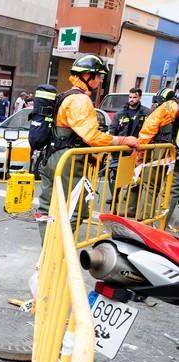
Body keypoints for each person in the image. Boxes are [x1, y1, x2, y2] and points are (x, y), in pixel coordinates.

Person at [36, 54, 139, 242]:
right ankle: (58, 248)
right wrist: (125, 140)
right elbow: (91, 136)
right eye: (98, 76)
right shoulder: (80, 100)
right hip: (68, 161)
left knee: (47, 206)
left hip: (50, 157)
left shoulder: (64, 96)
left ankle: (48, 250)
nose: (100, 81)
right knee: (77, 209)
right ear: (87, 75)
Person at [137, 88, 179, 227]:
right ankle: (161, 224)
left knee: (150, 186)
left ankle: (145, 221)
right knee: (172, 190)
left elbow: (149, 128)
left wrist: (141, 152)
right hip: (174, 153)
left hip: (163, 150)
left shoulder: (168, 107)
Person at [106, 87, 150, 204]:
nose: (131, 99)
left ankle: (129, 199)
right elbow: (112, 130)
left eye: (134, 97)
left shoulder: (146, 113)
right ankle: (114, 195)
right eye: (130, 97)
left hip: (137, 150)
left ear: (140, 98)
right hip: (120, 150)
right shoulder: (120, 114)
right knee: (115, 174)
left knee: (135, 175)